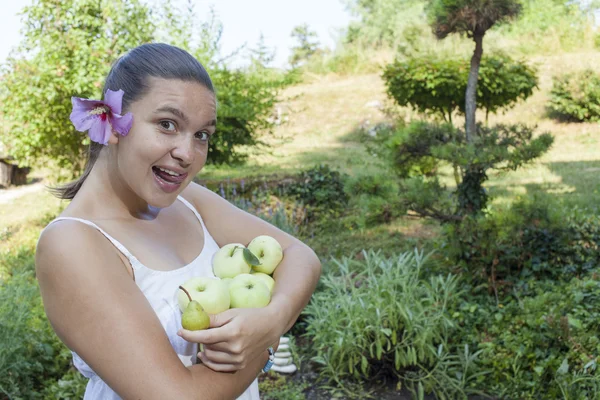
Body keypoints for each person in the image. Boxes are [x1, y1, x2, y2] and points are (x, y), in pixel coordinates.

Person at [35, 43, 321, 400]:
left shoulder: (187, 200)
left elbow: (299, 254)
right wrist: (265, 344)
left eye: (202, 135)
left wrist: (274, 316)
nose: (188, 154)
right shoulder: (73, 244)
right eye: (167, 124)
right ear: (110, 122)